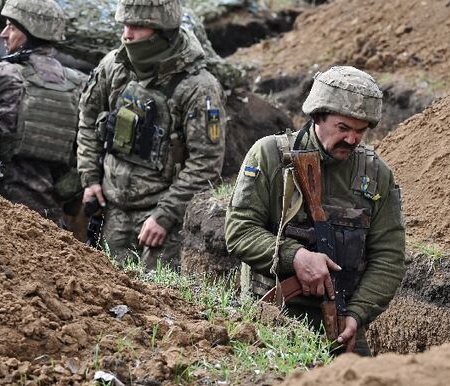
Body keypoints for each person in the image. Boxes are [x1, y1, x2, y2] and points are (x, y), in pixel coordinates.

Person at [225, 66, 406, 356]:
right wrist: (295, 256)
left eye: (360, 131)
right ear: (317, 117)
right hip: (270, 318)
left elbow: (389, 257)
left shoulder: (376, 174)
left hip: (342, 323)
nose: (352, 140)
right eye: (343, 128)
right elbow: (239, 230)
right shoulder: (270, 156)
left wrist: (356, 316)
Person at [76, 0, 226, 269]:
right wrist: (90, 178)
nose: (127, 35)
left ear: (161, 32)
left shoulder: (198, 88)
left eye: (137, 27)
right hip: (111, 210)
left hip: (161, 221)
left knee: (155, 300)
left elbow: (206, 163)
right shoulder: (114, 66)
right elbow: (88, 119)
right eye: (125, 26)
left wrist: (165, 215)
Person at [0, 0, 87, 232]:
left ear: (30, 33)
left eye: (12, 27)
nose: (4, 34)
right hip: (51, 216)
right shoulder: (81, 84)